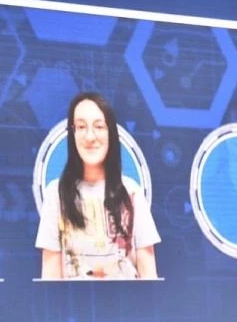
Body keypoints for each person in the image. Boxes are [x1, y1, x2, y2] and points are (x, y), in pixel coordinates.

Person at [35, 92, 160, 280]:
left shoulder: (131, 192)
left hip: (126, 299)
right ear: (73, 133)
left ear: (111, 133)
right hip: (74, 300)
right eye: (81, 127)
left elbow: (149, 275)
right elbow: (50, 280)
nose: (90, 136)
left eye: (99, 127)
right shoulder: (56, 194)